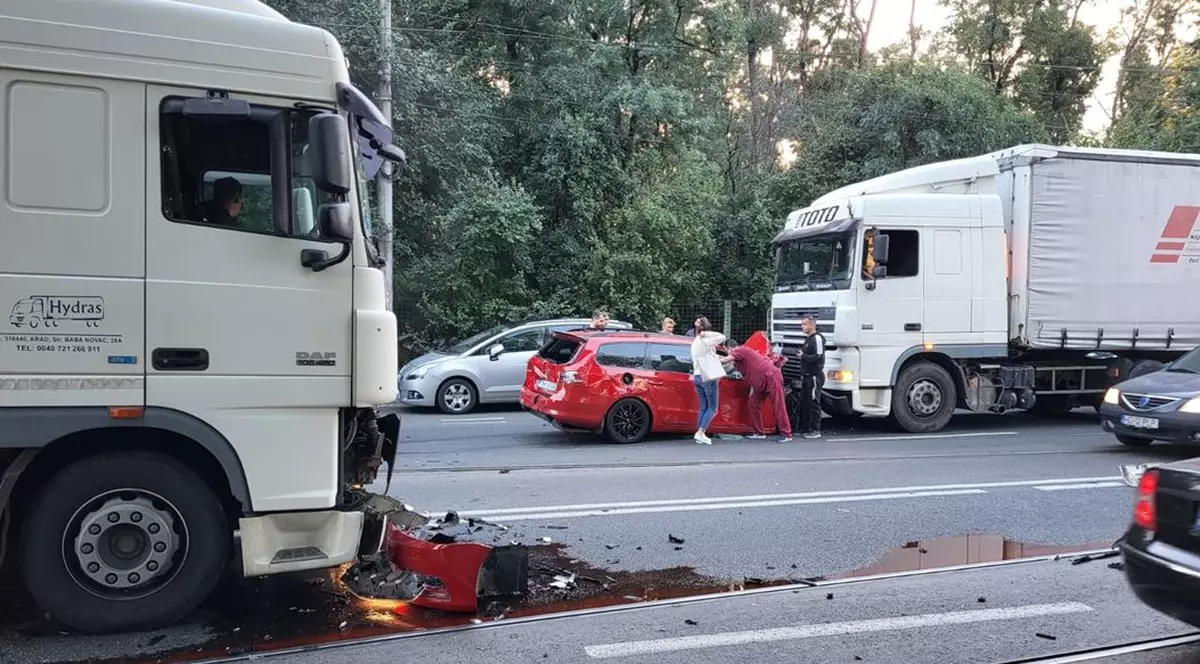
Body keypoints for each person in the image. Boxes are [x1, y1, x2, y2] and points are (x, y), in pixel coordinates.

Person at [722, 343, 792, 443]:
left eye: (728, 351)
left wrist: (709, 361)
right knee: (753, 404)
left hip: (770, 378)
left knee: (778, 405)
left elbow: (725, 360)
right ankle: (759, 432)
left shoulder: (740, 350)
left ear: (730, 348)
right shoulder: (738, 361)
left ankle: (787, 434)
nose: (729, 353)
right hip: (761, 382)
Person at [689, 317, 726, 445]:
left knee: (703, 406)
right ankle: (701, 432)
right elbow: (722, 336)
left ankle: (699, 433)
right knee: (712, 407)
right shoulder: (705, 341)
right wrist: (707, 334)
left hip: (697, 376)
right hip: (707, 376)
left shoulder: (695, 342)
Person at [798, 316, 827, 439]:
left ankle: (815, 429)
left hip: (814, 375)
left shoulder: (817, 338)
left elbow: (818, 356)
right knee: (806, 402)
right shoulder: (808, 339)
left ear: (812, 325)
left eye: (804, 324)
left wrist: (803, 356)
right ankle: (806, 428)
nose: (802, 327)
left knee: (814, 401)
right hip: (807, 375)